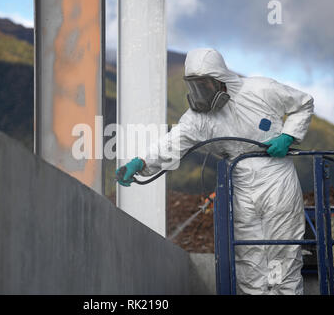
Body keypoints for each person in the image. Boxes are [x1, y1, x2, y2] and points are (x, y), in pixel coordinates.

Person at [115, 48, 314, 295]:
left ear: (221, 79)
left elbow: (303, 103)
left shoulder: (261, 90)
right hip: (239, 182)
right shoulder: (199, 119)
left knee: (283, 254)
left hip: (276, 178)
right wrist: (141, 163)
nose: (202, 93)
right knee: (249, 258)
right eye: (196, 86)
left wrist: (288, 135)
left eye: (206, 85)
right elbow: (171, 144)